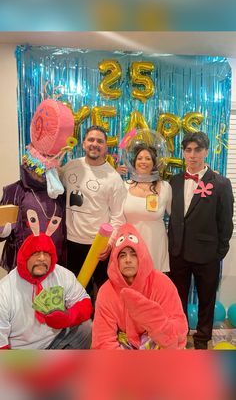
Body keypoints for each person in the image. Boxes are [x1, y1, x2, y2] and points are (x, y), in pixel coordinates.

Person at [168, 131, 234, 349]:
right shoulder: (174, 181)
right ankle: (180, 334)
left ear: (206, 151)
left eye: (197, 150)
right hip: (178, 252)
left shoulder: (221, 183)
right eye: (188, 150)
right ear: (183, 153)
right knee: (178, 299)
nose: (193, 155)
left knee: (206, 300)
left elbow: (226, 222)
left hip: (208, 254)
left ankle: (202, 340)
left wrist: (218, 252)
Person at [0, 214, 92, 350]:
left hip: (56, 341)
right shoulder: (5, 290)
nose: (42, 258)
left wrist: (67, 318)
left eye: (47, 254)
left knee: (86, 327)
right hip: (23, 352)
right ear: (24, 258)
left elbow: (85, 302)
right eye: (36, 253)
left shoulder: (62, 274)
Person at [92, 223, 188, 349]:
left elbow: (179, 330)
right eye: (122, 255)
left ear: (141, 257)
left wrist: (154, 320)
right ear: (115, 261)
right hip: (123, 345)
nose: (128, 260)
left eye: (133, 254)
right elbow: (103, 341)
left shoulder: (162, 283)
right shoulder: (106, 291)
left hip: (158, 341)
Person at [60, 125, 126, 295]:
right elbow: (53, 185)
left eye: (100, 141)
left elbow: (118, 217)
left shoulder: (113, 178)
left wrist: (110, 243)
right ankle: (79, 322)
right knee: (75, 292)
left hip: (97, 246)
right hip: (71, 242)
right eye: (91, 139)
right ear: (83, 143)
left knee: (103, 293)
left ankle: (100, 322)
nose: (94, 144)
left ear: (105, 146)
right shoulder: (71, 167)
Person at [0, 162, 66, 272]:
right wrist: (2, 231)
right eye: (35, 166)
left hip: (53, 261)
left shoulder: (59, 191)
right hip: (23, 262)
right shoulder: (14, 190)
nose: (40, 171)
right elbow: (3, 223)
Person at [123, 143, 172, 272]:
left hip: (155, 245)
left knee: (154, 286)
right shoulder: (124, 186)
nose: (143, 161)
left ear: (154, 163)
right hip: (130, 246)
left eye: (148, 158)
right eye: (139, 158)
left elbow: (175, 217)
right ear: (134, 163)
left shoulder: (165, 187)